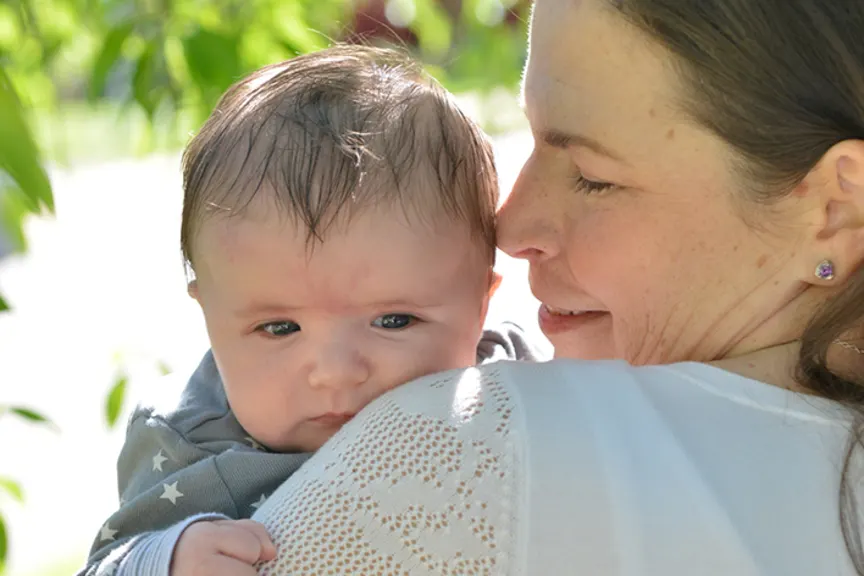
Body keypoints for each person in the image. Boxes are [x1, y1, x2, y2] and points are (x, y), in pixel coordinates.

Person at [249, 0, 864, 574]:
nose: (508, 227)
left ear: (836, 209)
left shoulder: (457, 455)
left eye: (593, 178)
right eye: (532, 140)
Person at [78, 45, 542, 576]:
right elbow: (103, 566)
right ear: (207, 312)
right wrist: (167, 558)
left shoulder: (519, 378)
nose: (336, 372)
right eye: (279, 328)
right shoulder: (190, 443)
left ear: (482, 304)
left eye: (394, 321)